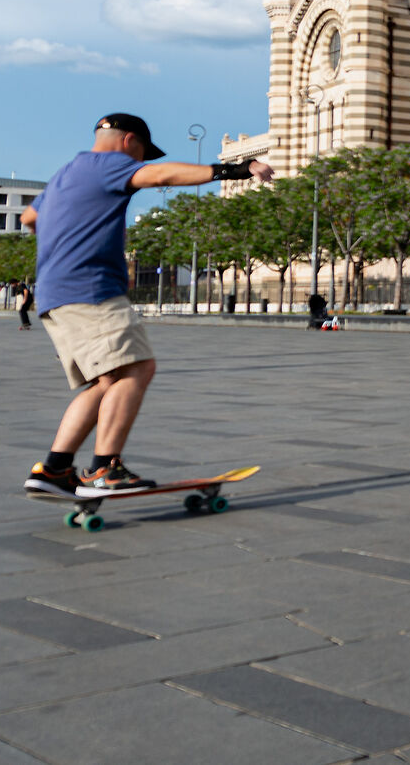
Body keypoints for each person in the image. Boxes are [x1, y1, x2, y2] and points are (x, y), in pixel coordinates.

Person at [21, 114, 272, 498]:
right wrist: (236, 169)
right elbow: (160, 175)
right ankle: (105, 469)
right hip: (90, 290)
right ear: (129, 142)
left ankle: (55, 470)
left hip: (55, 293)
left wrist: (73, 234)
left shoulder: (65, 174)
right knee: (137, 368)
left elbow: (30, 217)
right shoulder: (109, 164)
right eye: (140, 154)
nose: (139, 162)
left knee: (106, 382)